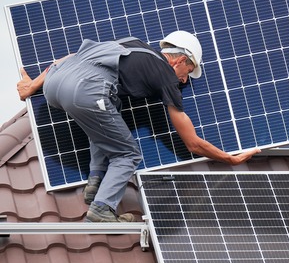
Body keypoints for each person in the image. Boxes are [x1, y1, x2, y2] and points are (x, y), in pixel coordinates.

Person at [16, 31, 260, 222]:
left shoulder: (132, 43)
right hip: (85, 91)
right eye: (189, 71)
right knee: (128, 154)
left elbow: (71, 57)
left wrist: (32, 86)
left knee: (110, 111)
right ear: (180, 60)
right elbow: (192, 143)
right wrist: (230, 159)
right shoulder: (166, 75)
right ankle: (101, 209)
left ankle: (95, 182)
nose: (186, 79)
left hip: (54, 84)